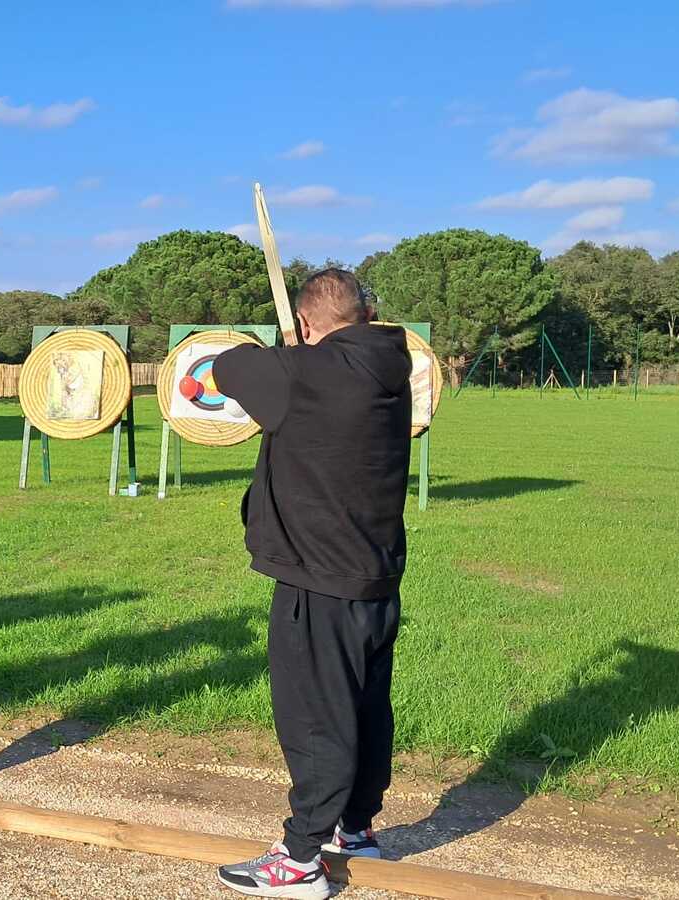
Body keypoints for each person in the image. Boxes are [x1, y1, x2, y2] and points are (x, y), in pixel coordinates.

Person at [211, 269, 411, 899]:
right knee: (363, 705)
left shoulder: (302, 375)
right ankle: (355, 827)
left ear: (304, 324)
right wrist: (298, 354)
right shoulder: (390, 367)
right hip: (375, 575)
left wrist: (289, 354)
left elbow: (227, 365)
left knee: (316, 715)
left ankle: (300, 859)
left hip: (318, 578)